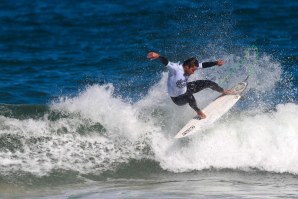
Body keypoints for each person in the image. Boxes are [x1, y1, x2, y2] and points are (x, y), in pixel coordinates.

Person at [147, 52, 235, 119]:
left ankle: (223, 91)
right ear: (186, 66)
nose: (193, 72)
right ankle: (199, 112)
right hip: (177, 99)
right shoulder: (175, 69)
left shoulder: (191, 67)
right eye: (193, 70)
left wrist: (216, 63)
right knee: (190, 97)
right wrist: (158, 56)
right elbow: (166, 62)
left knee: (208, 83)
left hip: (186, 89)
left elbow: (203, 65)